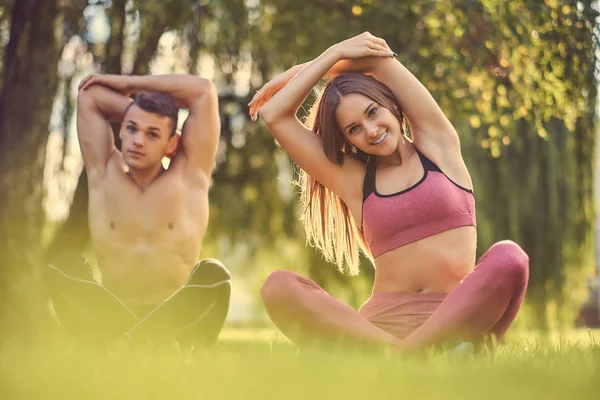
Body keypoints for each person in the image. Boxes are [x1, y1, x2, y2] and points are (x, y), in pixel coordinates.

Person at [249, 32, 529, 351]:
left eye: (372, 112)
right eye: (353, 129)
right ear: (347, 141)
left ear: (393, 105)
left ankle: (406, 355)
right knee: (278, 286)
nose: (371, 131)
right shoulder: (353, 180)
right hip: (380, 327)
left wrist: (295, 72)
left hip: (455, 317)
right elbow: (275, 116)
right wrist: (331, 55)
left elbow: (379, 59)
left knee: (510, 257)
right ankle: (413, 354)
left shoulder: (439, 147)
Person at [47, 74, 231, 346]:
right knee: (64, 267)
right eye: (131, 128)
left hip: (175, 326)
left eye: (152, 134)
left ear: (172, 144)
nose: (138, 141)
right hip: (109, 321)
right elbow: (89, 95)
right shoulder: (103, 171)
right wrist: (139, 110)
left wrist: (128, 84)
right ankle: (132, 343)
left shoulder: (189, 175)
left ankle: (135, 345)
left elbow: (203, 91)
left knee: (215, 275)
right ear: (120, 130)